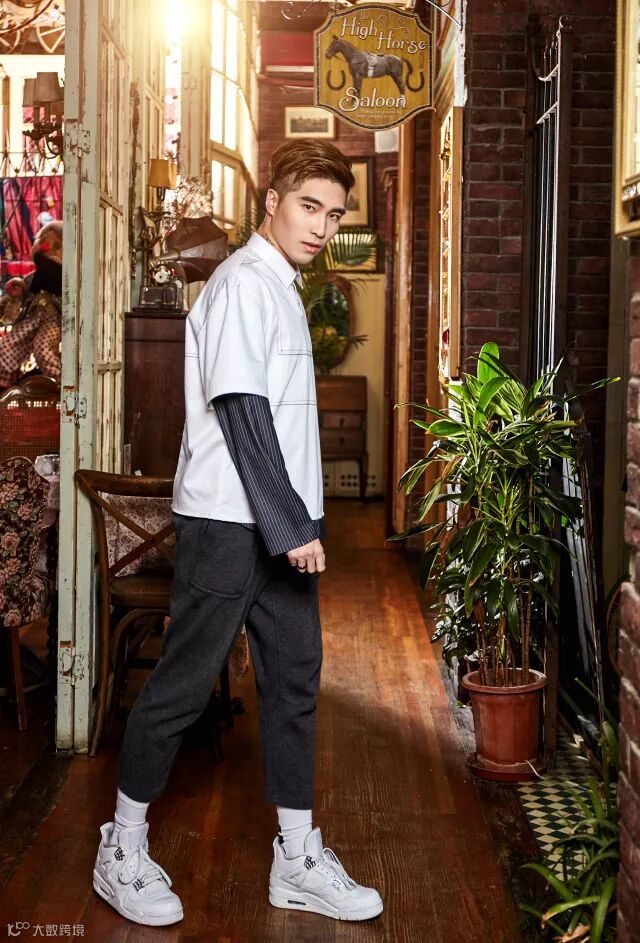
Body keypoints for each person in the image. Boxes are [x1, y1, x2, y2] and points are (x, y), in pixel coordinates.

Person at [92, 139, 384, 927]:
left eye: (334, 213)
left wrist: (297, 521)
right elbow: (241, 409)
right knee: (184, 685)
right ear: (273, 202)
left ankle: (297, 857)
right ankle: (121, 847)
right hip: (230, 521)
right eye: (308, 206)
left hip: (279, 521)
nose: (321, 226)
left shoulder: (280, 285)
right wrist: (291, 525)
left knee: (294, 683)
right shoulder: (242, 283)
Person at [0, 220, 63, 388]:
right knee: (8, 344)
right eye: (43, 241)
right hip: (33, 317)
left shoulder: (63, 276)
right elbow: (24, 288)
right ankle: (5, 382)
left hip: (53, 320)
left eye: (57, 246)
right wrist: (17, 288)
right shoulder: (34, 276)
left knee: (43, 348)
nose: (47, 248)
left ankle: (63, 382)